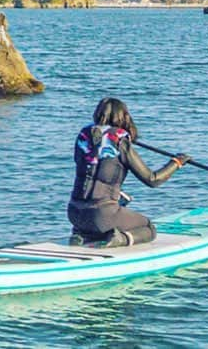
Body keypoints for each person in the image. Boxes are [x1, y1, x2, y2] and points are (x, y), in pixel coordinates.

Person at [67, 97, 191, 248]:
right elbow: (152, 179)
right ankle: (120, 239)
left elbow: (91, 172)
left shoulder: (84, 136)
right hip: (102, 215)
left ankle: (80, 235)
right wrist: (177, 162)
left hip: (74, 213)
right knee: (149, 228)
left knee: (100, 214)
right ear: (123, 116)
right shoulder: (120, 141)